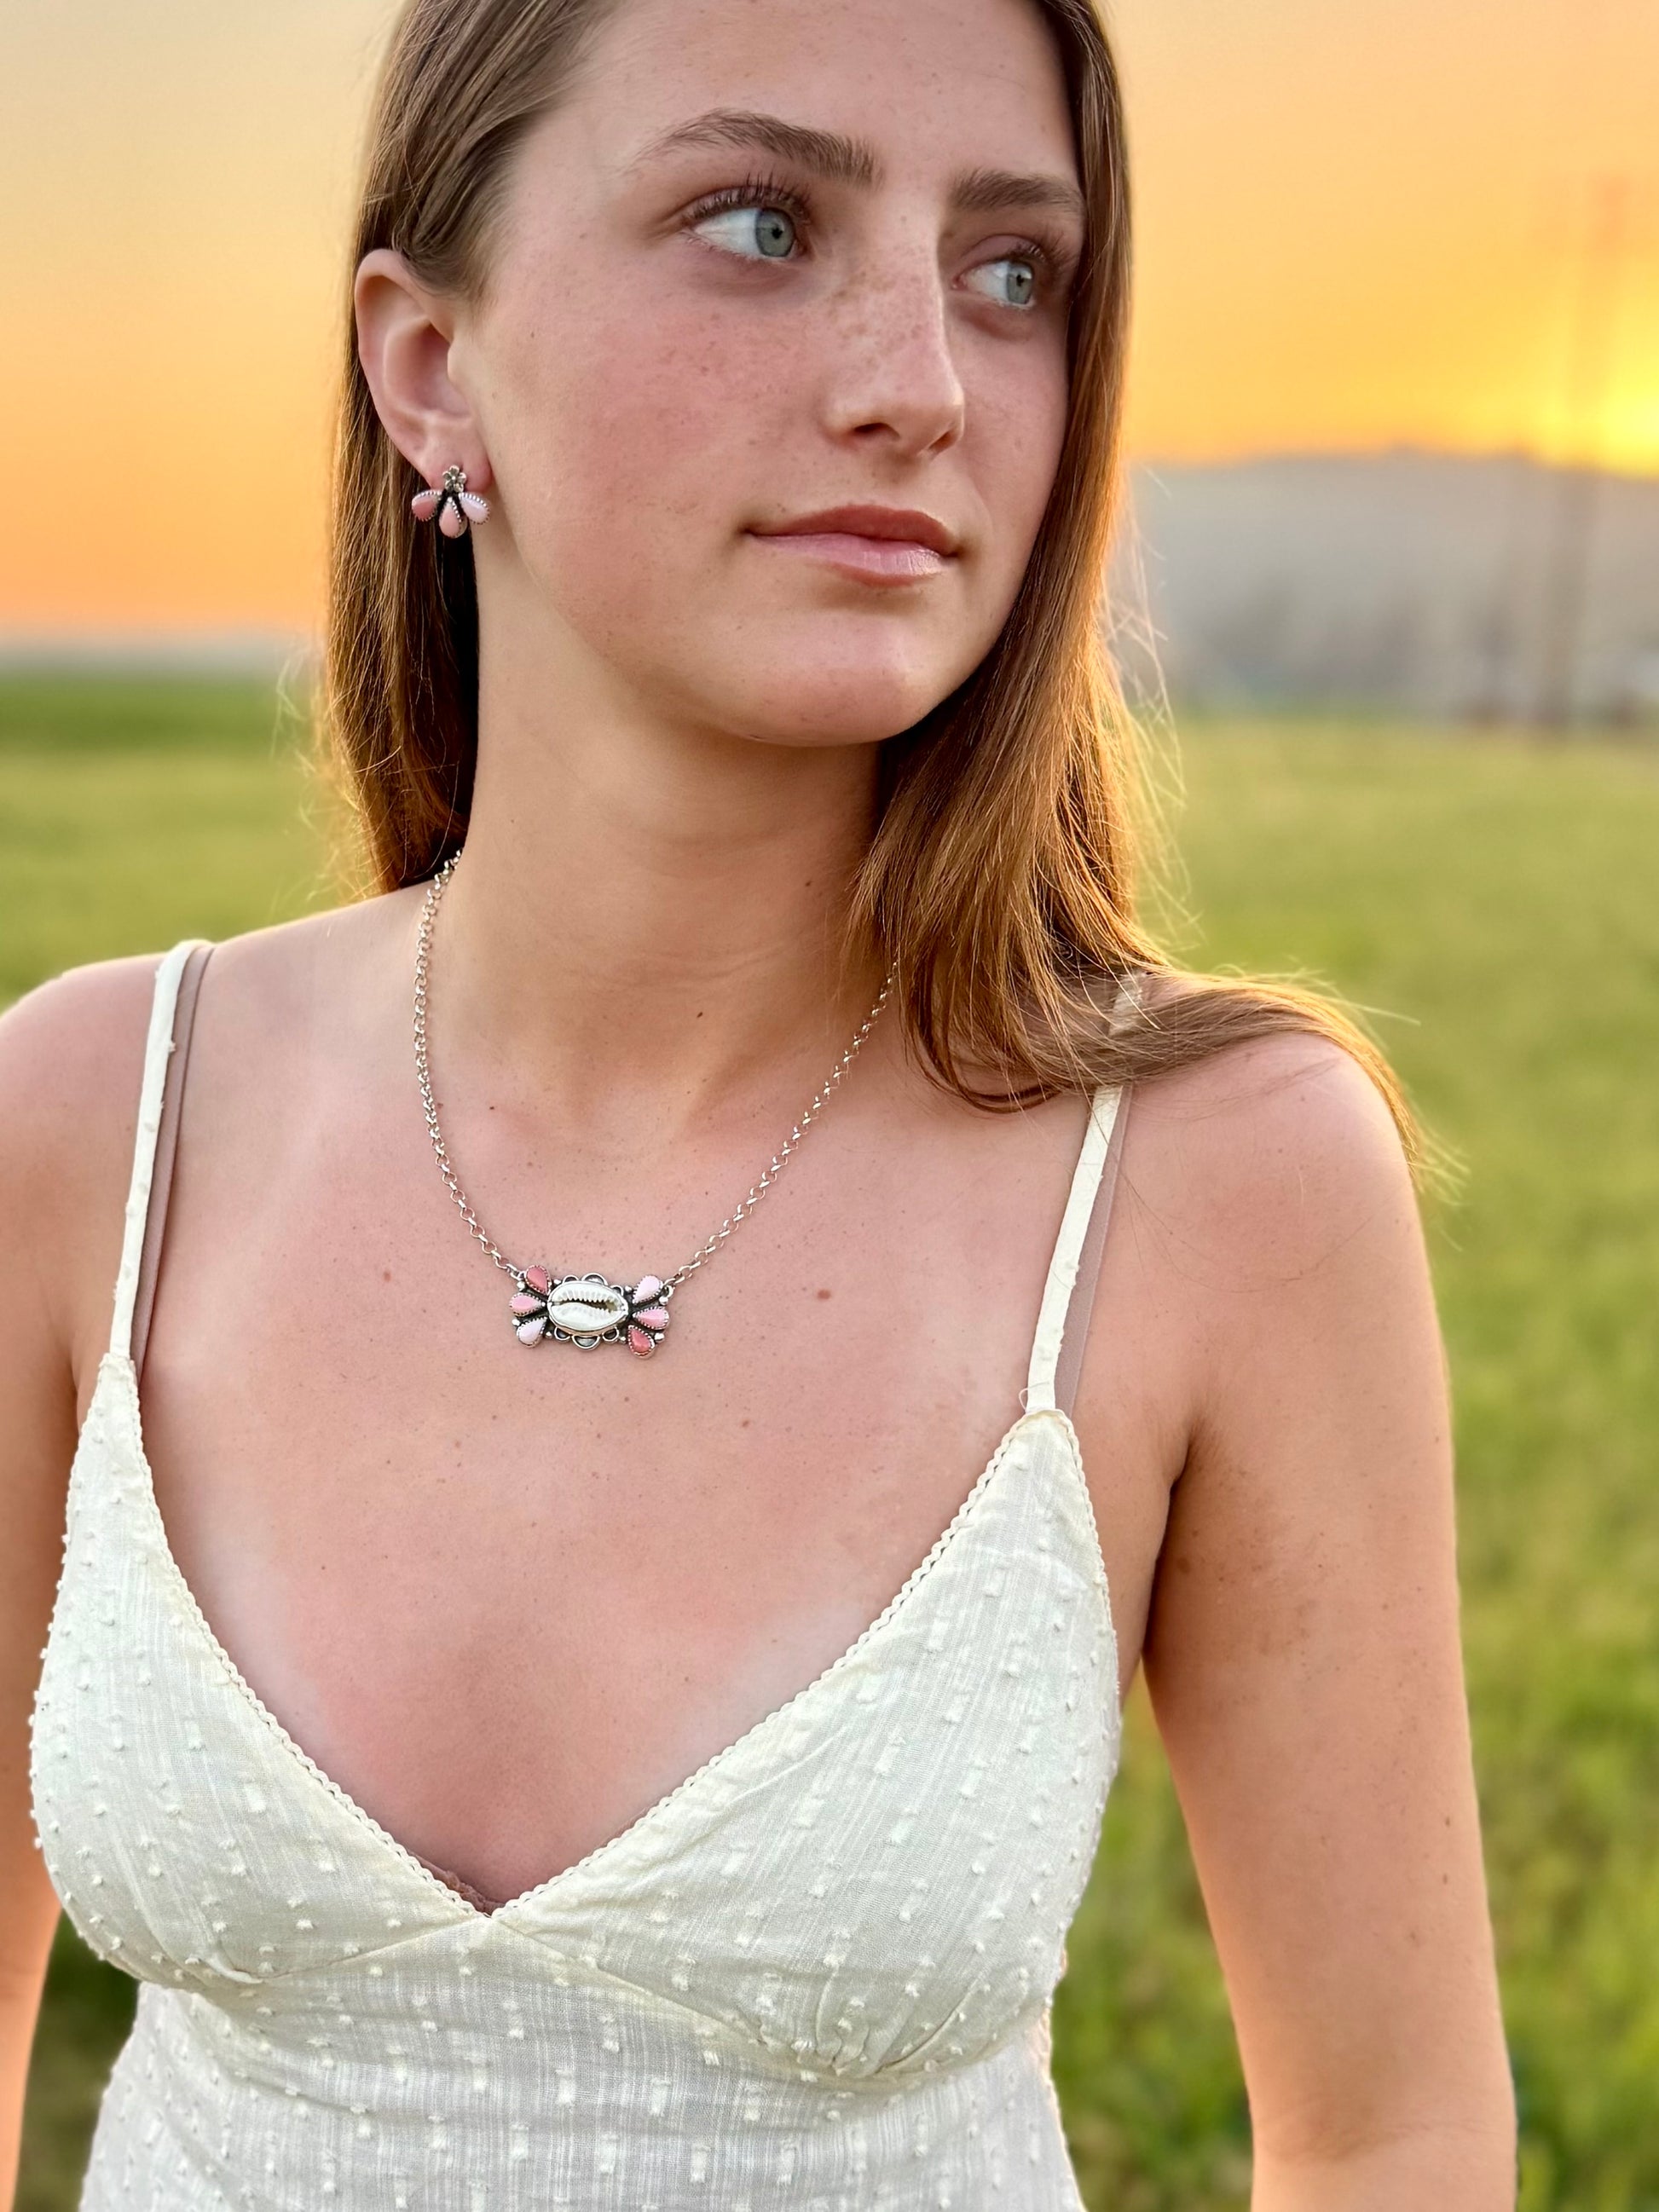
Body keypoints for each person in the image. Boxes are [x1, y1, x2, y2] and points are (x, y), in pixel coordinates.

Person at [0, 0, 1517, 2203]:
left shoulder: (1219, 1186)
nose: (919, 381)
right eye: (756, 221)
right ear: (428, 363)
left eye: (1013, 272)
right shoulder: (85, 1130)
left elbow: (1387, 2139)